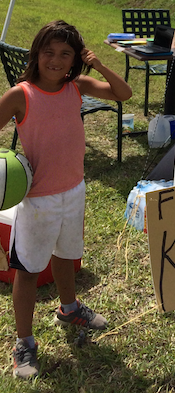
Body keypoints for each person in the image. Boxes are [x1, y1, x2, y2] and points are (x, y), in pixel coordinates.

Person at [0, 20, 132, 380]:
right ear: (36, 54)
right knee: (27, 271)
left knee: (67, 255)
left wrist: (100, 64)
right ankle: (24, 342)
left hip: (74, 191)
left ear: (75, 60)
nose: (55, 60)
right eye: (49, 52)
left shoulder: (77, 87)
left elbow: (124, 94)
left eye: (65, 54)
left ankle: (69, 308)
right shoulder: (20, 94)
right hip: (38, 201)